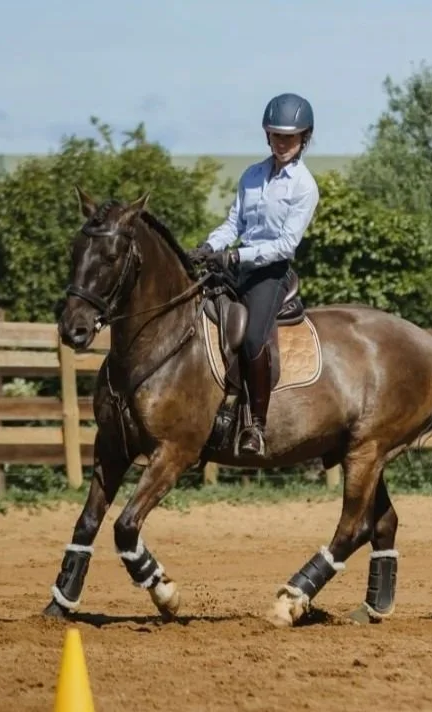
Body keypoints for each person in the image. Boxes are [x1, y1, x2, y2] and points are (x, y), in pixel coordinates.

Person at [189, 92, 320, 457]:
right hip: (236, 264)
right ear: (267, 136)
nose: (282, 143)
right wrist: (209, 247)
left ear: (304, 138)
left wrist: (237, 256)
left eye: (290, 137)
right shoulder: (252, 175)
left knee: (251, 340)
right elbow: (234, 222)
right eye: (276, 136)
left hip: (270, 274)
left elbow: (285, 245)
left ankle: (255, 426)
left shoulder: (304, 187)